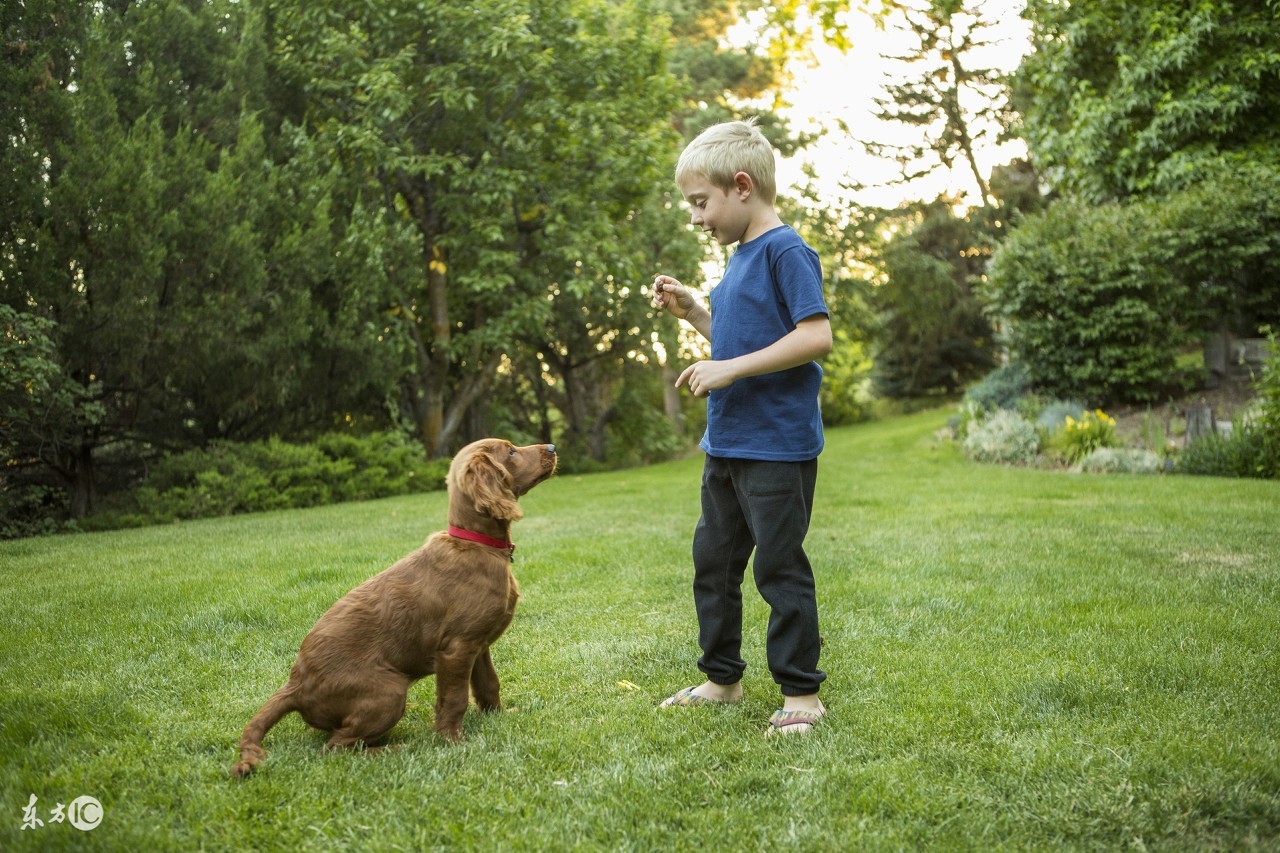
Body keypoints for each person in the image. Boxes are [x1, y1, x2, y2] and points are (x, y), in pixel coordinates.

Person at [652, 118, 832, 736]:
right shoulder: (738, 261)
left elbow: (815, 336)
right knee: (714, 564)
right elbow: (738, 345)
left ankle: (801, 696)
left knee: (778, 568)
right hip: (726, 445)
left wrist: (727, 368)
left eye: (701, 203)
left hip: (776, 449)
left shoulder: (786, 250)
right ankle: (722, 679)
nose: (697, 217)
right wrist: (695, 311)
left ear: (742, 186)